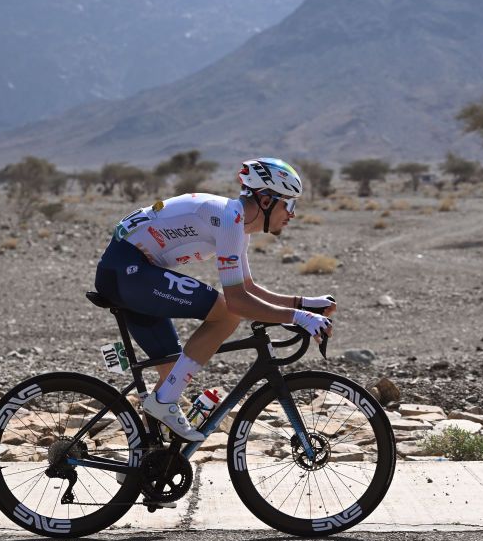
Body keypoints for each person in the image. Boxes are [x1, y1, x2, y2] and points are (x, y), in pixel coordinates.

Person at [94, 157, 335, 441]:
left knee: (171, 372)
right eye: (289, 204)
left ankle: (143, 462)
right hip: (128, 272)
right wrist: (299, 318)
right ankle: (163, 403)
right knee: (226, 313)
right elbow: (237, 302)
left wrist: (301, 304)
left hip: (133, 274)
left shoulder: (235, 223)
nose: (292, 214)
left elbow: (248, 288)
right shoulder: (228, 218)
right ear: (267, 201)